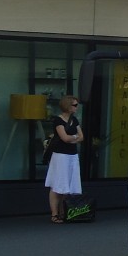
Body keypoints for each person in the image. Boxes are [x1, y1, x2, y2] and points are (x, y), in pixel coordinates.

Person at [45, 95, 83, 224]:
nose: (76, 107)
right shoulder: (58, 120)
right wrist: (74, 138)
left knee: (68, 184)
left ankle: (64, 211)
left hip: (72, 155)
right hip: (60, 155)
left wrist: (72, 138)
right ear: (68, 106)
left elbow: (81, 136)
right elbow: (64, 138)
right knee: (57, 184)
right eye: (75, 105)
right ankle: (54, 213)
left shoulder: (75, 120)